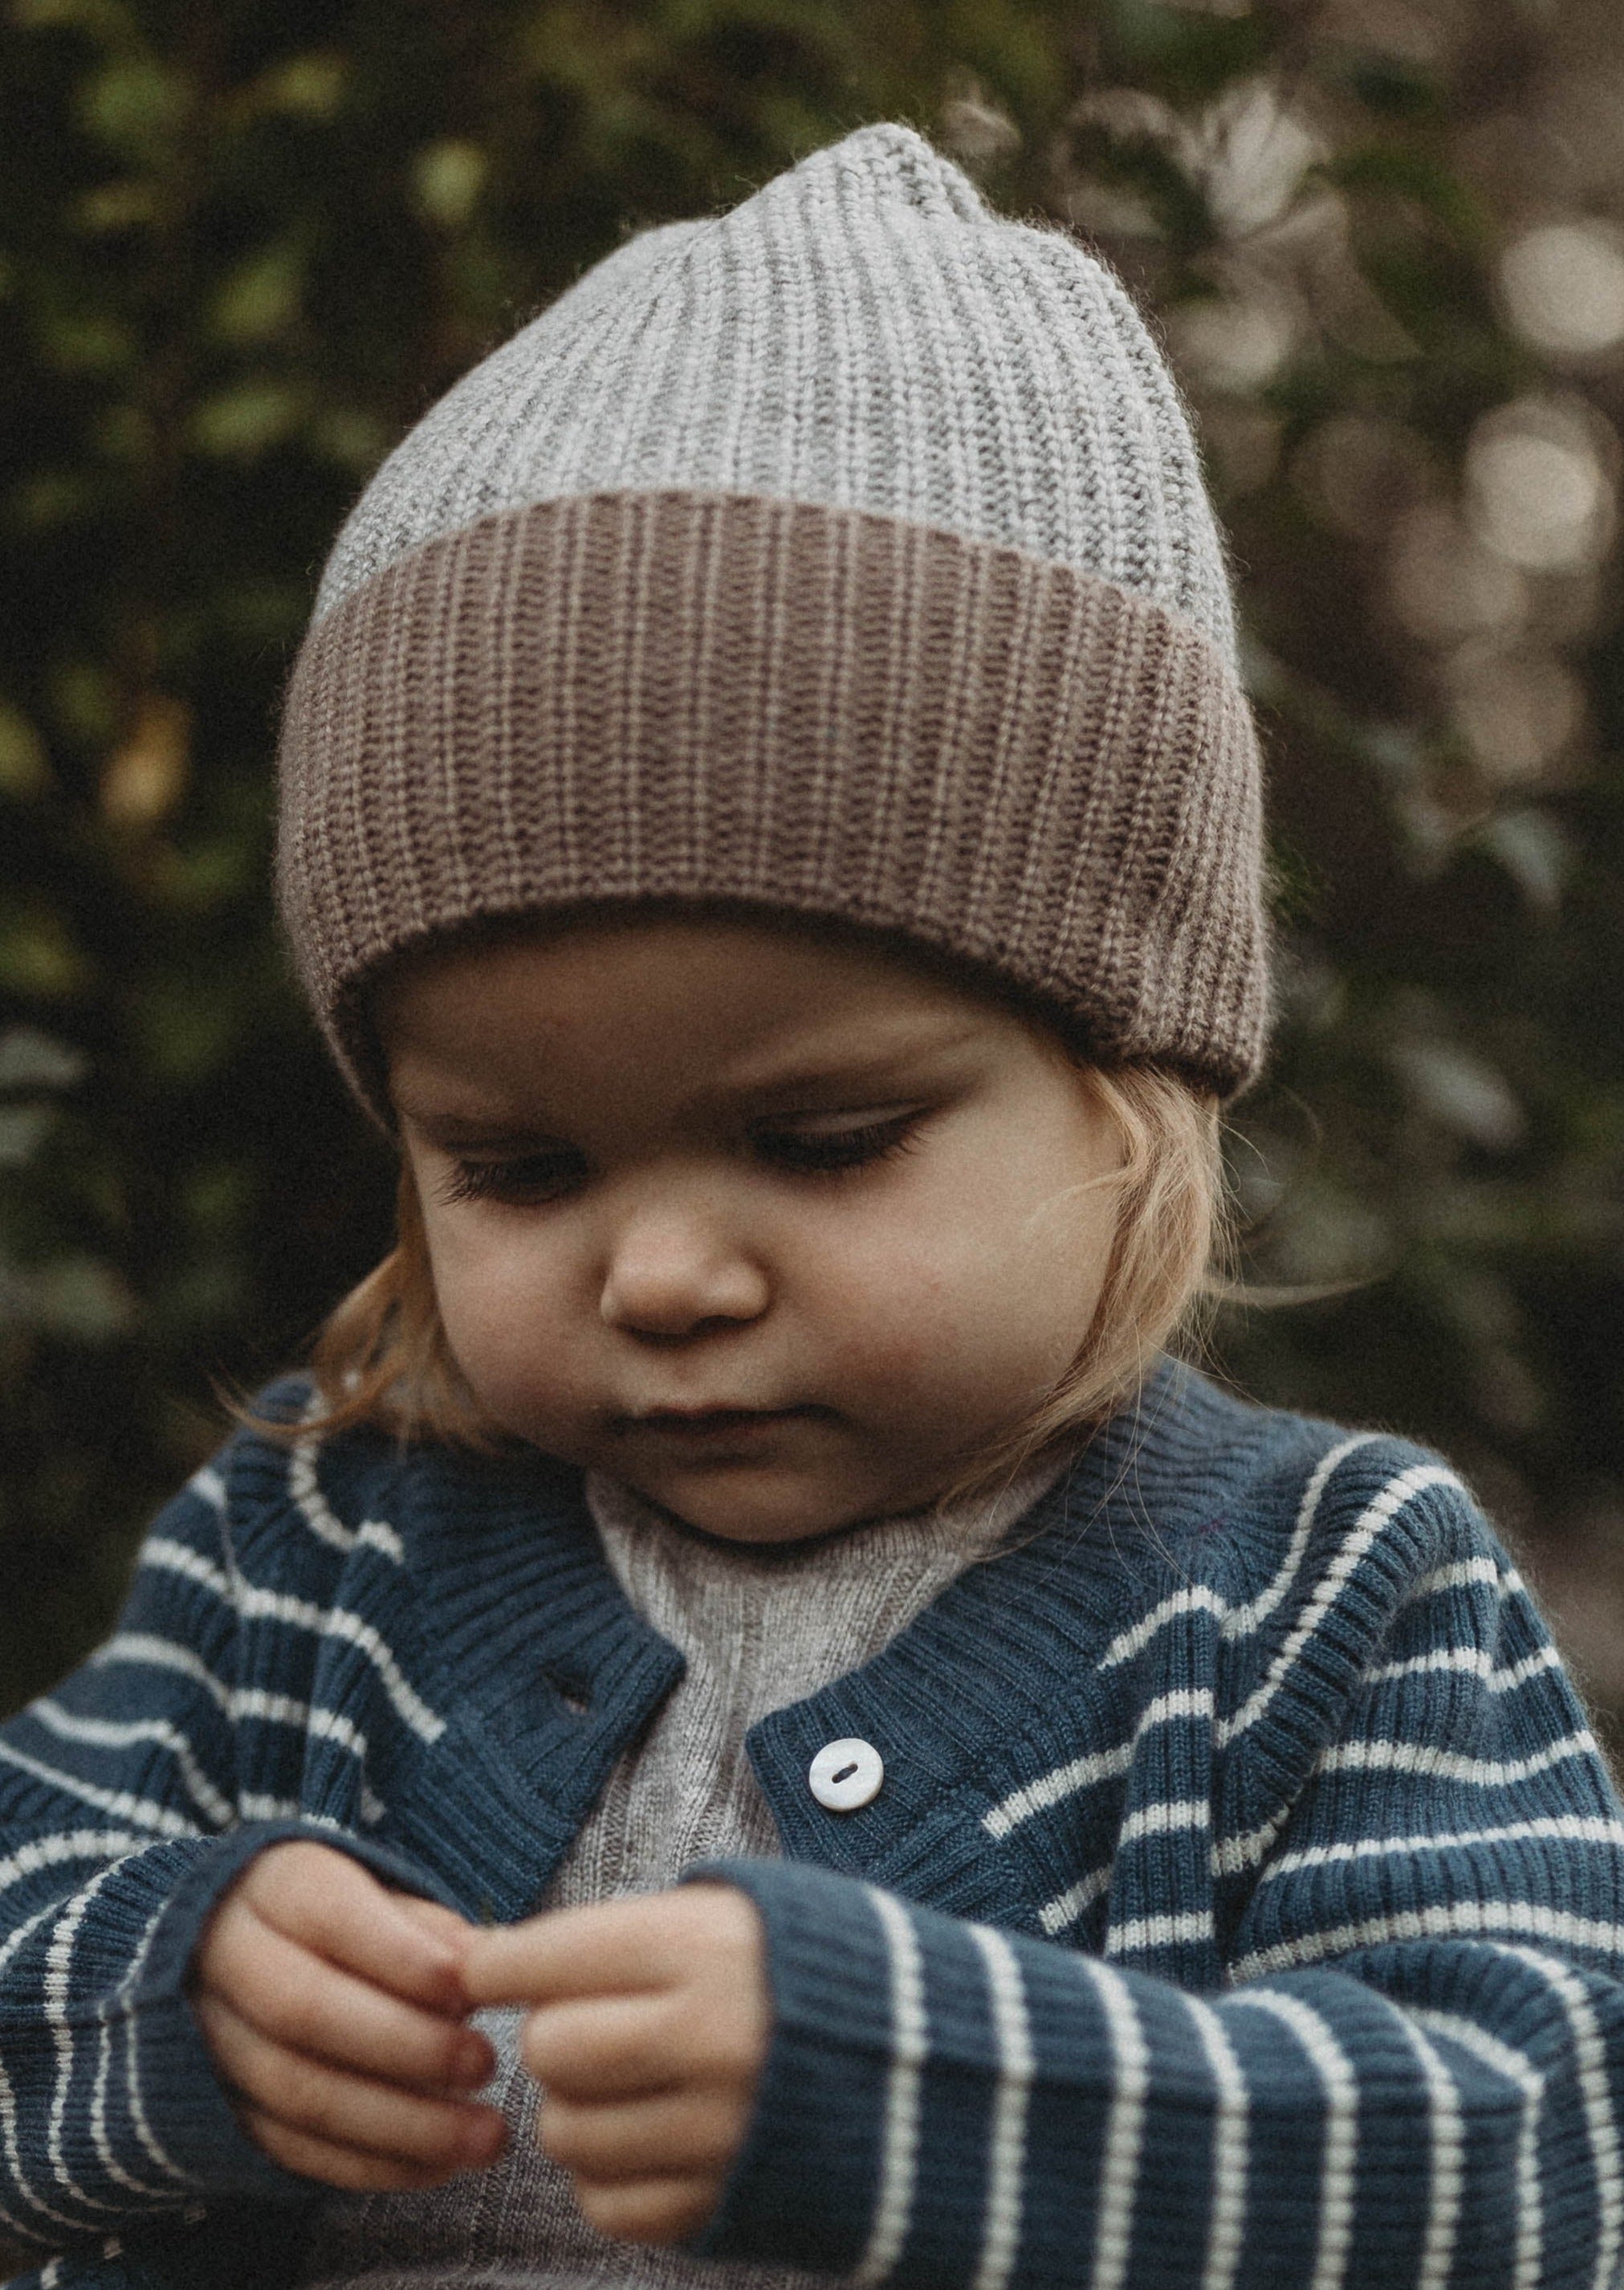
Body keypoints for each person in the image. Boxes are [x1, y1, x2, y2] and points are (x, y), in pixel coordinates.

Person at [1, 118, 1621, 2290]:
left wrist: (943, 2083)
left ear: (1128, 1079)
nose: (662, 1274)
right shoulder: (319, 1550)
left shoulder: (1318, 1602)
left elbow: (1533, 2159)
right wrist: (159, 1989)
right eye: (520, 1166)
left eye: (823, 1141)